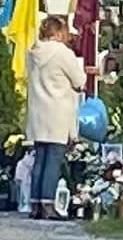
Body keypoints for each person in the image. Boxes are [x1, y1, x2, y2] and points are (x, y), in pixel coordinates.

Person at [26, 16, 87, 220]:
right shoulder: (63, 53)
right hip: (58, 110)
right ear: (59, 32)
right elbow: (79, 80)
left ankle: (34, 204)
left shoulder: (33, 52)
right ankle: (48, 204)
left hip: (38, 111)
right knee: (53, 159)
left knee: (39, 159)